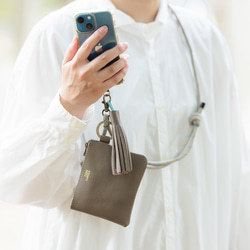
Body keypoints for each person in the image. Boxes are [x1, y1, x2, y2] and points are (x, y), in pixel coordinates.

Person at [0, 0, 249, 249]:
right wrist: (68, 107)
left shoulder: (207, 40)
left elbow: (235, 175)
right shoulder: (55, 34)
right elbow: (15, 180)